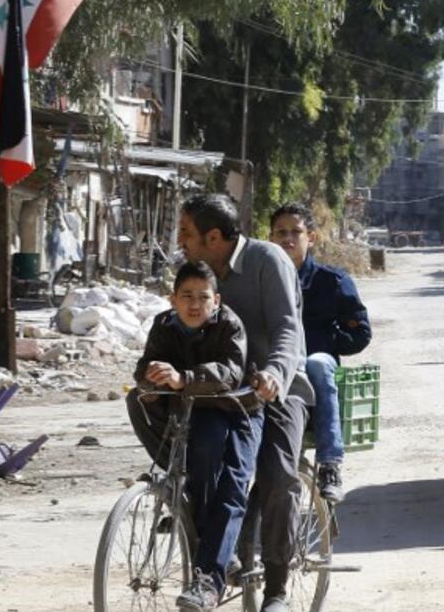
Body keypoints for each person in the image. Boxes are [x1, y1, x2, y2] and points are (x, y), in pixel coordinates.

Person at [127, 194, 310, 612]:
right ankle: (212, 550)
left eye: (186, 233)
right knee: (194, 452)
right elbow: (178, 326)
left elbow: (287, 330)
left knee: (277, 476)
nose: (180, 242)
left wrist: (274, 375)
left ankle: (277, 588)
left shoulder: (268, 260)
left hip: (273, 389)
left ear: (213, 237)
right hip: (214, 392)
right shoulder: (202, 275)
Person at [132, 261, 263, 612]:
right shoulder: (163, 326)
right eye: (186, 296)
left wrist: (183, 378)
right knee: (140, 401)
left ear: (216, 301)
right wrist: (152, 381)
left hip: (239, 411)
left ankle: (208, 581)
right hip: (196, 413)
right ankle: (220, 551)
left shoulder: (230, 325)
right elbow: (145, 365)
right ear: (172, 299)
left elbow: (231, 374)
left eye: (202, 297)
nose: (194, 304)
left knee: (232, 485)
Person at [269, 202, 372, 503]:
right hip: (277, 368)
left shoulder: (332, 281)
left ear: (310, 237)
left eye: (295, 232)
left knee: (316, 363)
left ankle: (330, 465)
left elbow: (360, 334)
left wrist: (327, 340)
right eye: (281, 233)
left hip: (315, 366)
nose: (288, 239)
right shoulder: (263, 280)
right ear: (271, 238)